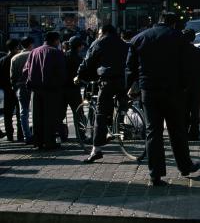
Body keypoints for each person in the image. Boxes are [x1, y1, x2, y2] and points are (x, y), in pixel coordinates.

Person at [126, 12, 199, 186]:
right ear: (173, 24)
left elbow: (130, 67)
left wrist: (131, 87)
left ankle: (155, 174)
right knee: (177, 129)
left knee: (153, 132)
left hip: (148, 90)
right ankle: (185, 166)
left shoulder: (139, 38)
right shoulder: (178, 38)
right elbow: (187, 66)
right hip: (173, 90)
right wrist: (185, 87)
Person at [75, 24, 128, 163]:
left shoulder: (99, 42)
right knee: (120, 103)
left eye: (99, 32)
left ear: (104, 32)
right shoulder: (124, 44)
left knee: (100, 113)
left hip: (108, 80)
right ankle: (116, 126)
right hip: (124, 80)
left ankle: (96, 150)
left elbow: (87, 61)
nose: (98, 34)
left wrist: (79, 75)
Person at [22, 31, 66, 150]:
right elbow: (61, 73)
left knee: (37, 116)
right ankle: (50, 142)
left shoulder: (34, 52)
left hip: (35, 90)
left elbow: (25, 70)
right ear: (56, 40)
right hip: (51, 90)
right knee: (50, 116)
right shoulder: (56, 52)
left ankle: (38, 142)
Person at [181, 29, 200, 140]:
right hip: (197, 85)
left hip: (182, 86)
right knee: (195, 109)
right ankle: (194, 132)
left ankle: (184, 131)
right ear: (194, 38)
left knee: (184, 110)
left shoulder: (179, 52)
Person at [11, 36, 34, 144]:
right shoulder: (34, 54)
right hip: (34, 86)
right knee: (36, 111)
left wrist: (16, 87)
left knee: (23, 112)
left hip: (20, 87)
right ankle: (37, 133)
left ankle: (27, 136)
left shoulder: (15, 58)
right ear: (30, 45)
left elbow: (12, 77)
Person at [60, 36, 84, 139]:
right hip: (74, 89)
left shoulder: (63, 56)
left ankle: (61, 135)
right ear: (79, 47)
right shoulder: (79, 59)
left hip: (62, 88)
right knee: (78, 112)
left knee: (60, 113)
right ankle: (81, 135)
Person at [0, 39, 23, 141]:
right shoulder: (18, 59)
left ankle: (10, 135)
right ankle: (20, 135)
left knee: (7, 114)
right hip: (18, 88)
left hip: (7, 90)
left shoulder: (3, 60)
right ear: (17, 47)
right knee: (20, 113)